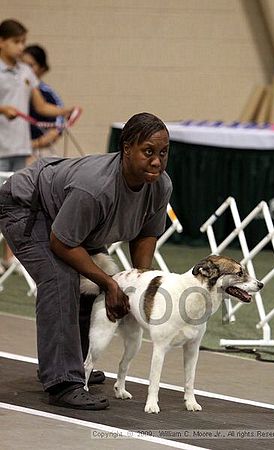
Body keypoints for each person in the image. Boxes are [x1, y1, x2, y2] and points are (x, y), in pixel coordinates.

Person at [0, 112, 172, 410]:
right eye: (148, 152)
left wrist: (137, 281)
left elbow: (146, 235)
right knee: (60, 277)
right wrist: (108, 282)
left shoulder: (160, 185)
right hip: (27, 206)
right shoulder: (96, 187)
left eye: (163, 152)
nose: (157, 161)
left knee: (87, 281)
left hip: (71, 221)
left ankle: (73, 365)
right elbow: (62, 243)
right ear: (127, 148)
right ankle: (63, 381)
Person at [0, 19, 73, 270]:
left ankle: (10, 257)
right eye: (16, 42)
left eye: (23, 41)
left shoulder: (26, 72)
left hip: (20, 147)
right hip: (0, 147)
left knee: (15, 203)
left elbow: (41, 105)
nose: (21, 47)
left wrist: (66, 110)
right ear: (2, 41)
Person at [22, 44, 64, 157]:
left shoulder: (48, 94)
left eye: (30, 65)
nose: (26, 70)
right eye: (22, 65)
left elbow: (57, 128)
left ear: (42, 68)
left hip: (37, 151)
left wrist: (34, 144)